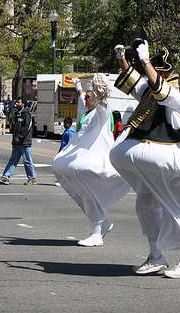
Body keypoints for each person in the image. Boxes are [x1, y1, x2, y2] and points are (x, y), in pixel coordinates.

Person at [110, 41, 180, 278]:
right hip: (165, 160)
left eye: (153, 71)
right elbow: (133, 84)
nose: (149, 75)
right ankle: (156, 256)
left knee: (174, 207)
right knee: (145, 204)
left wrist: (145, 60)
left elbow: (162, 92)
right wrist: (122, 59)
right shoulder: (149, 92)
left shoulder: (175, 93)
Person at [52, 74, 131, 247]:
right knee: (71, 182)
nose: (85, 100)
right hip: (81, 161)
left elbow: (102, 104)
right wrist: (77, 85)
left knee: (93, 196)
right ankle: (102, 223)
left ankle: (97, 232)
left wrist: (100, 88)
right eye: (86, 97)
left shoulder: (100, 113)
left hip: (96, 162)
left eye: (89, 97)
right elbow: (82, 96)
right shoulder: (88, 113)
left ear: (96, 98)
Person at [0, 97, 37, 185]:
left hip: (24, 142)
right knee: (13, 160)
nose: (16, 104)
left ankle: (32, 178)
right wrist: (15, 138)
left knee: (27, 160)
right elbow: (15, 128)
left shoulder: (27, 114)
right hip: (16, 142)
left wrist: (20, 137)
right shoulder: (18, 114)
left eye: (18, 103)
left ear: (23, 104)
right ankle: (6, 177)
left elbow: (26, 127)